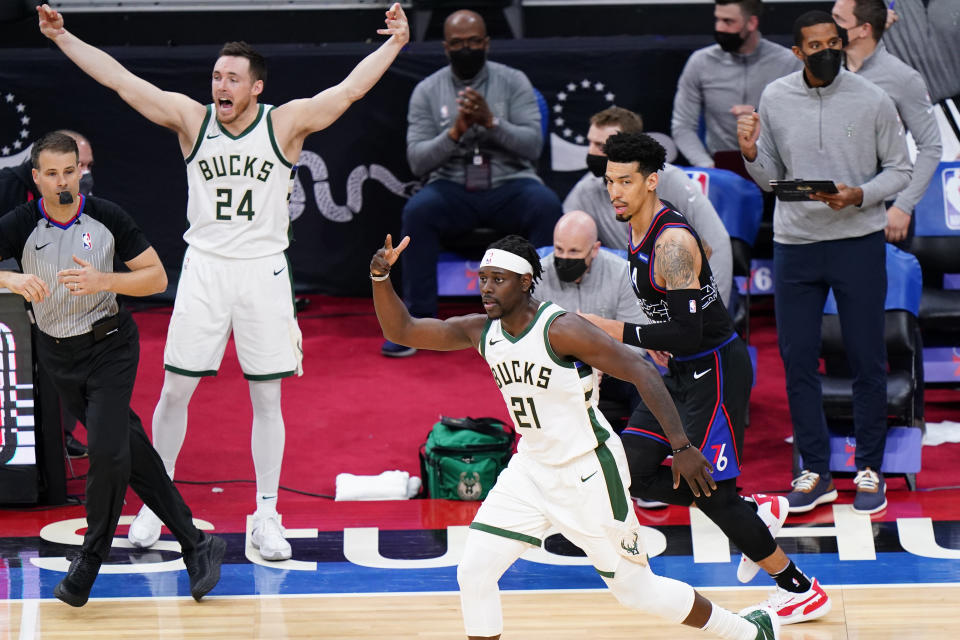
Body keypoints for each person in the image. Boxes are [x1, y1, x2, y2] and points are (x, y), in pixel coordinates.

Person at [37, 2, 410, 560]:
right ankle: (154, 508)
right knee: (175, 391)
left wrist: (396, 43)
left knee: (267, 398)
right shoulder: (193, 120)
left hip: (264, 270)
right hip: (205, 268)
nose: (220, 85)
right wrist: (63, 37)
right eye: (216, 76)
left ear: (256, 87)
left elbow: (350, 90)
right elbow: (120, 80)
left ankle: (267, 515)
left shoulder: (284, 123)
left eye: (232, 77)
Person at [369, 232, 779, 640]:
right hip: (530, 468)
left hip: (587, 470)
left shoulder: (561, 329)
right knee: (474, 571)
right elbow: (402, 329)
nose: (487, 289)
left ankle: (746, 630)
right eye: (483, 278)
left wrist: (682, 445)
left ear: (526, 282)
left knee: (637, 591)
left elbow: (642, 371)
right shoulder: (480, 331)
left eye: (499, 279)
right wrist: (380, 276)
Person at [581, 131, 830, 625]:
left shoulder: (671, 241)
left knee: (711, 493)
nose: (615, 192)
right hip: (678, 367)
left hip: (713, 369)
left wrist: (613, 328)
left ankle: (799, 588)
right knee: (631, 467)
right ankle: (754, 508)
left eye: (626, 182)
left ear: (651, 182)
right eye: (610, 181)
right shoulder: (637, 224)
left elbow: (690, 329)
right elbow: (682, 309)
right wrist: (662, 330)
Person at [0, 132, 225, 607]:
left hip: (110, 346)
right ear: (36, 177)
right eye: (52, 173)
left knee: (105, 450)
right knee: (129, 451)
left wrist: (104, 279)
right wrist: (10, 278)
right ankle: (197, 543)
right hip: (58, 355)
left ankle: (89, 560)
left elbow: (158, 277)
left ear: (81, 171)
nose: (63, 182)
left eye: (70, 171)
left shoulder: (106, 217)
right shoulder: (20, 224)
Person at [737, 11, 911, 514]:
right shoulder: (775, 97)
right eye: (814, 45)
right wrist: (750, 153)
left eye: (833, 42)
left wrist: (860, 194)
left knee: (866, 358)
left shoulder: (873, 98)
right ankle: (814, 471)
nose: (826, 51)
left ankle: (870, 468)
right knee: (796, 361)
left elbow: (900, 168)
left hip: (857, 240)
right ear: (797, 52)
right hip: (795, 245)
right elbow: (771, 180)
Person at [385, 8, 562, 358]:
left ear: (487, 43)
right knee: (419, 211)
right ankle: (418, 322)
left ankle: (542, 320)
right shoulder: (427, 90)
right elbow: (418, 162)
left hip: (510, 183)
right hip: (452, 188)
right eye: (458, 43)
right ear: (446, 47)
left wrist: (491, 121)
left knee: (546, 204)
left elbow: (532, 147)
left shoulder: (513, 81)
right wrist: (456, 131)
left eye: (473, 42)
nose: (466, 48)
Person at [563, 106, 734, 307]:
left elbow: (717, 242)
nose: (591, 151)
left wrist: (712, 304)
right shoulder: (585, 192)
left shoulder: (670, 180)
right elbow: (566, 247)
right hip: (631, 294)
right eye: (590, 142)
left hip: (686, 288)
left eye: (601, 146)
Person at [0, 129, 95, 459]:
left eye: (80, 168)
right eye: (63, 171)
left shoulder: (82, 195)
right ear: (38, 171)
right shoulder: (6, 187)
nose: (78, 177)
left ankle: (58, 434)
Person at [831, 0, 942, 244]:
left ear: (864, 30)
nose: (829, 26)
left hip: (882, 210)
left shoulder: (903, 78)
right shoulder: (823, 71)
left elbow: (931, 147)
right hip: (829, 209)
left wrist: (903, 206)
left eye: (838, 20)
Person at [535, 210, 648, 431]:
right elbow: (525, 340)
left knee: (645, 379)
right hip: (556, 369)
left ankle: (638, 449)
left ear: (594, 249)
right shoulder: (538, 276)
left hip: (610, 368)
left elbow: (637, 345)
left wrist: (601, 364)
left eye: (574, 251)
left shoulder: (622, 274)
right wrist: (571, 369)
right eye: (559, 249)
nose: (565, 257)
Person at [671, 0, 801, 168]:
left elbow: (803, 122)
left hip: (777, 165)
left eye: (728, 21)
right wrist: (708, 167)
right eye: (717, 19)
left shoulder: (789, 63)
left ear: (752, 23)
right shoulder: (701, 62)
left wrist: (762, 119)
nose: (719, 28)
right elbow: (683, 126)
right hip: (720, 165)